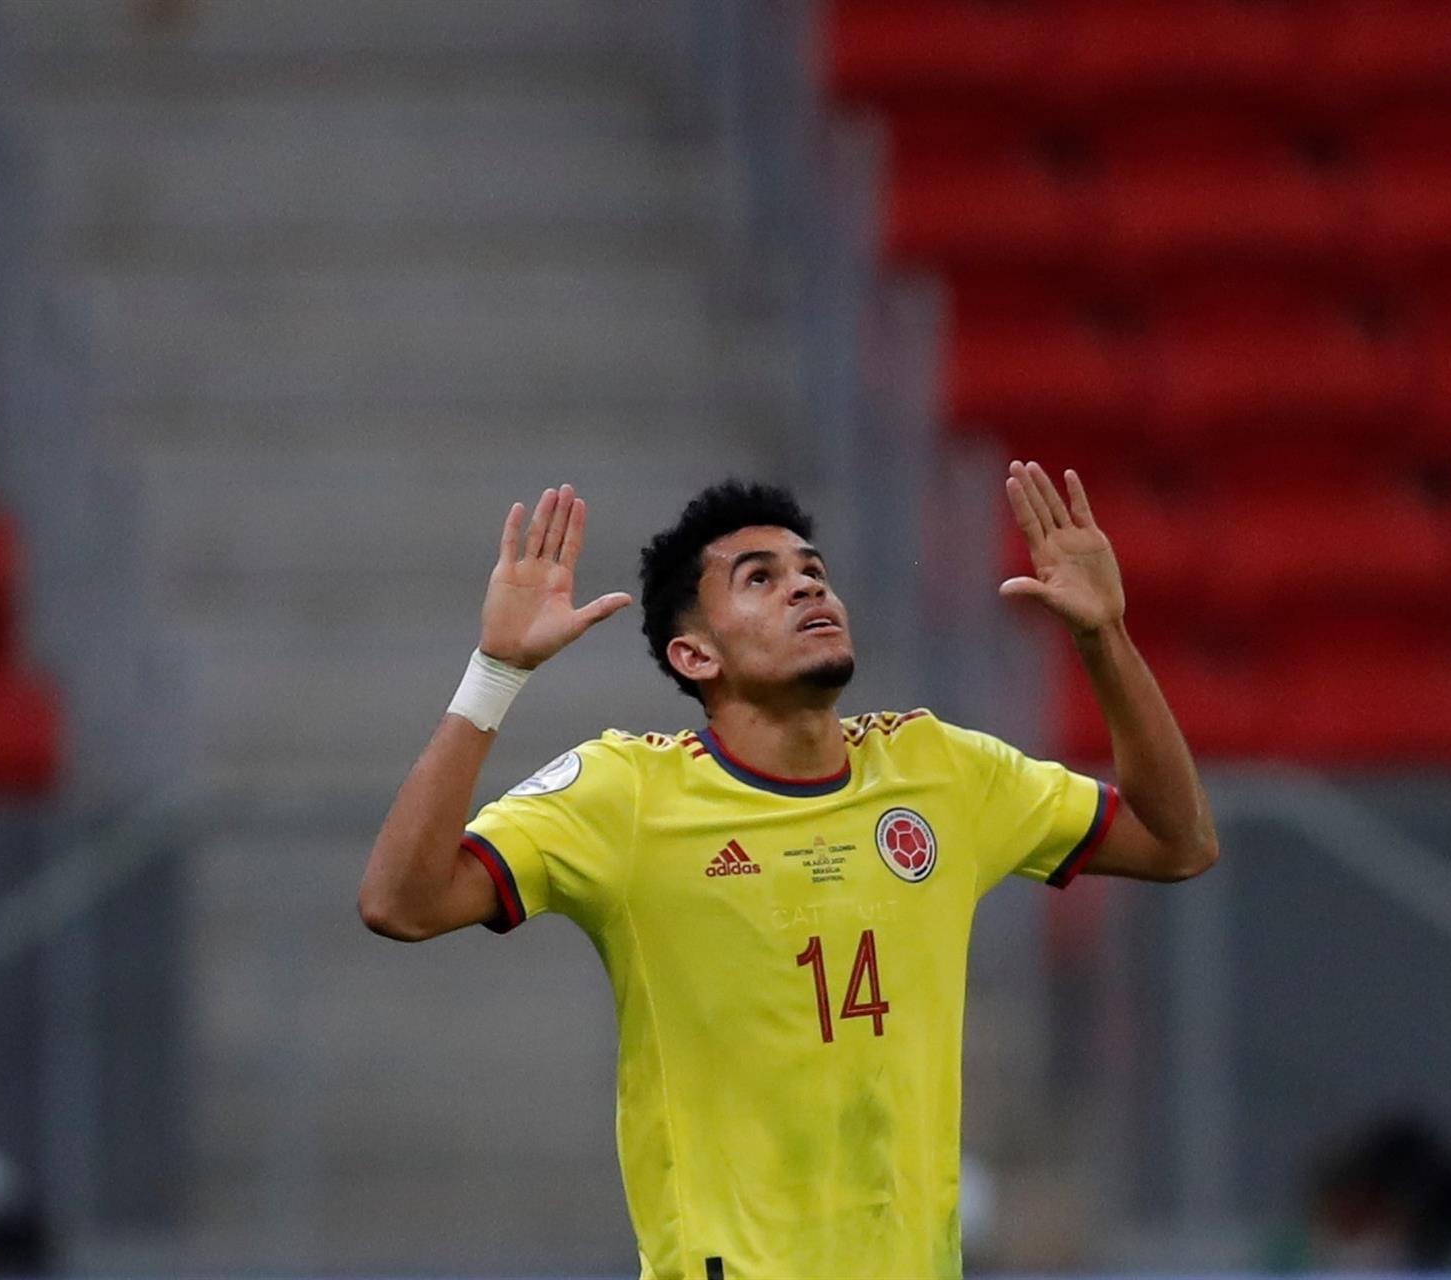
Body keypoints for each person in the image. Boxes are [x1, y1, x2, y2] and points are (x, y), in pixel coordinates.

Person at [358, 463, 1219, 1279]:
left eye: (813, 570)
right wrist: (495, 673)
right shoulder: (627, 795)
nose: (808, 586)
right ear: (697, 657)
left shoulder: (941, 771)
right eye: (760, 579)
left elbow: (1175, 842)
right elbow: (401, 901)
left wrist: (1103, 635)